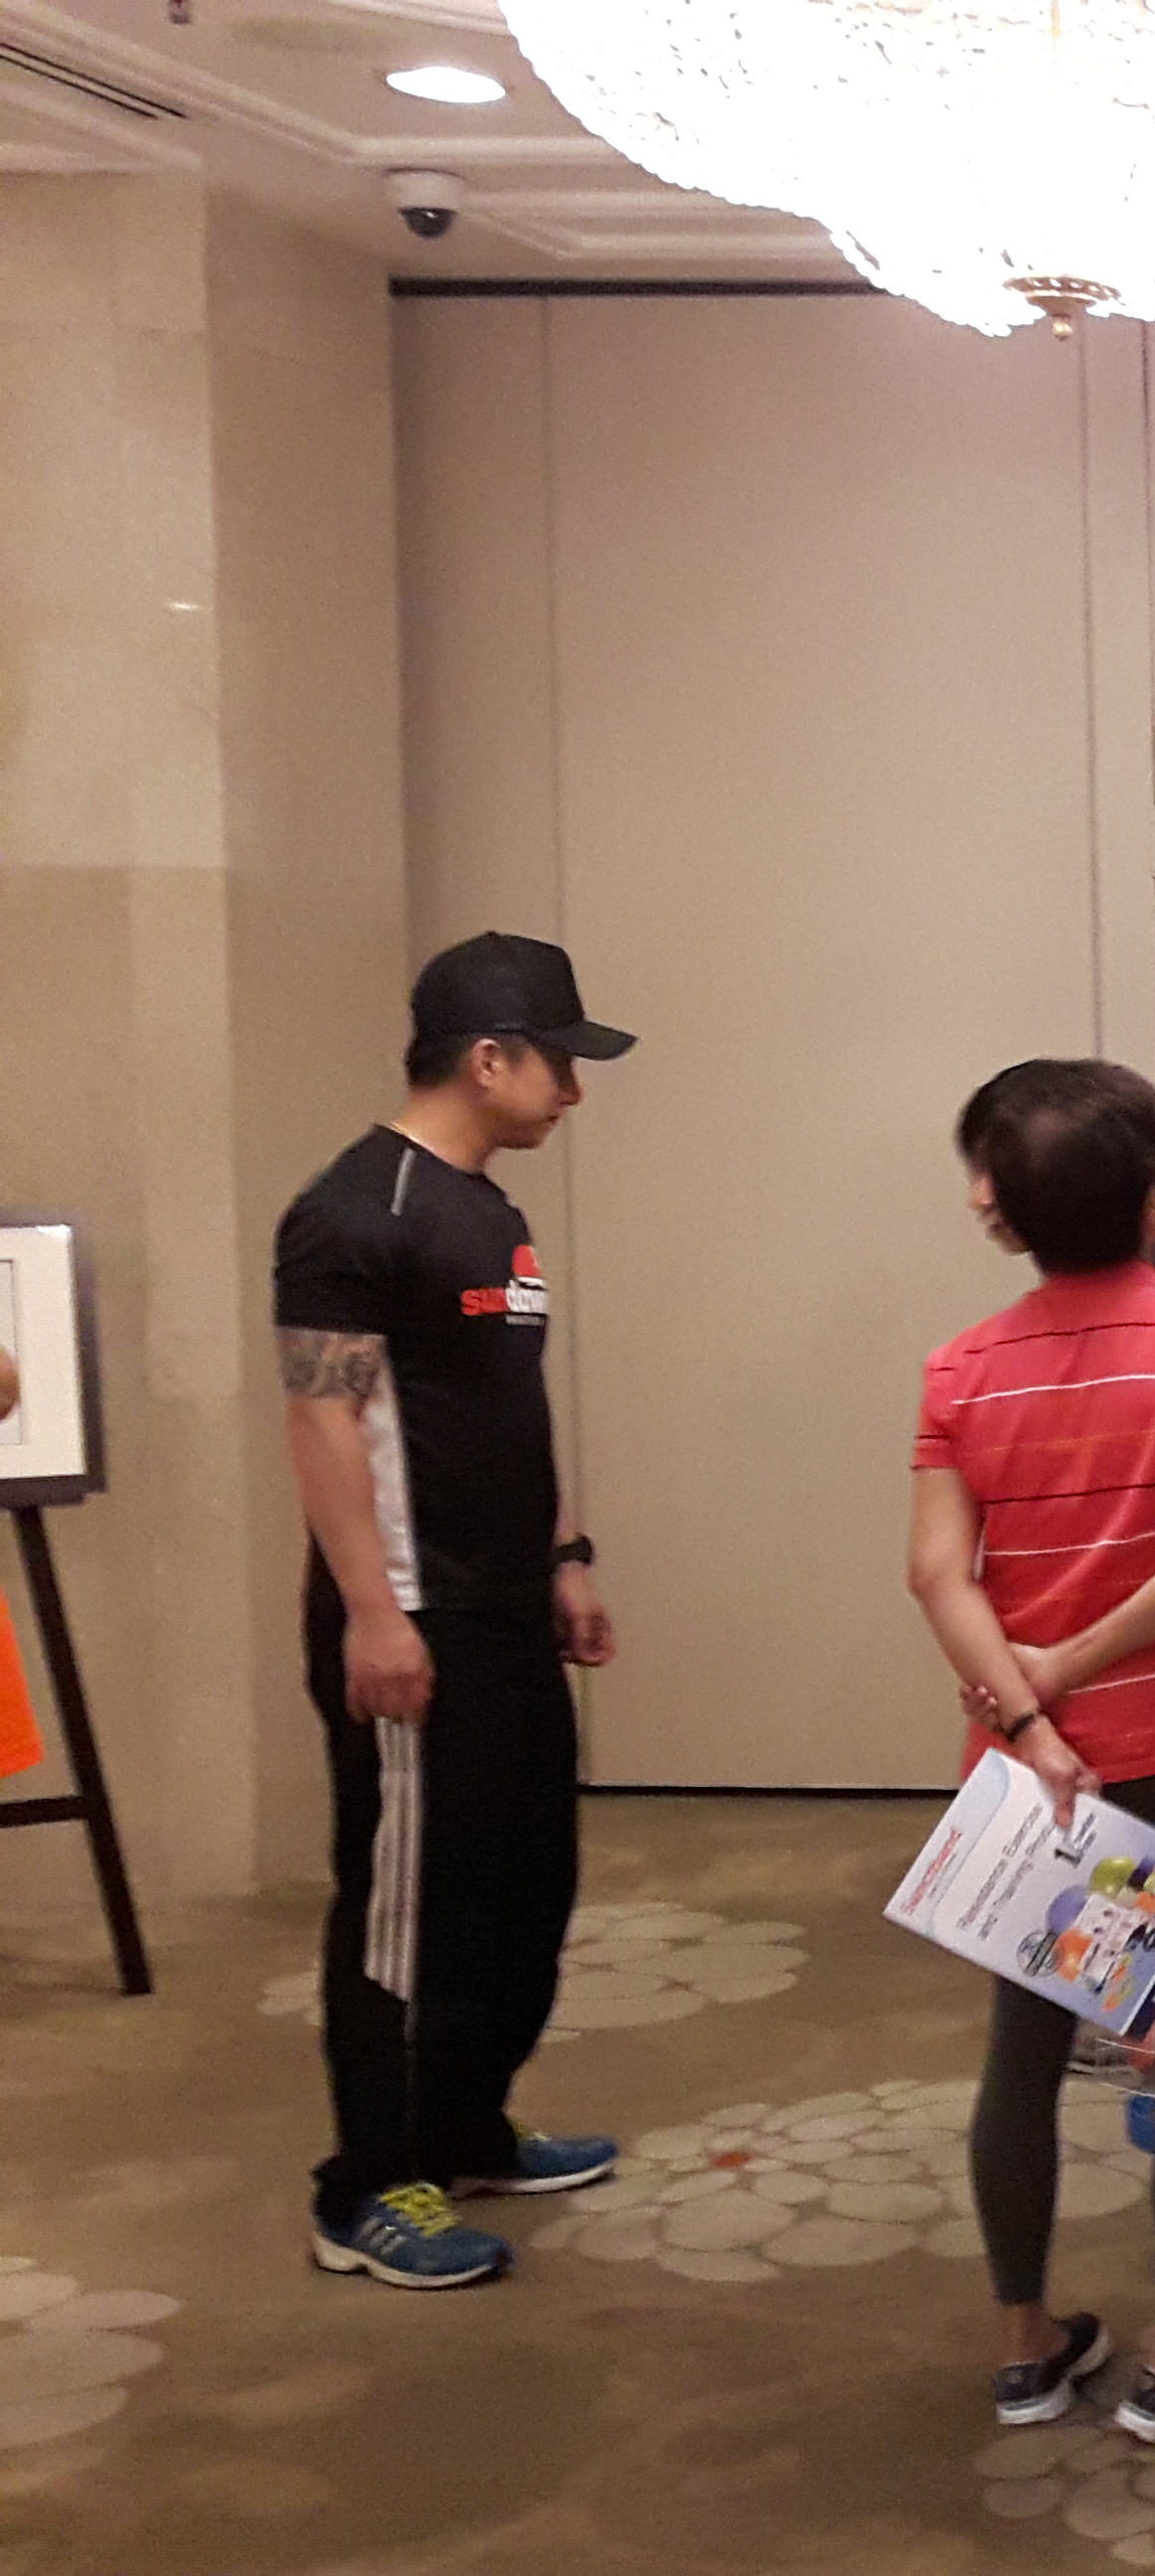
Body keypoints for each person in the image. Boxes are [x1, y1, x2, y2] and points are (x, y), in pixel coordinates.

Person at [908, 1059, 1155, 2444]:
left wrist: (1028, 1711)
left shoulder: (961, 1370)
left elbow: (938, 1573)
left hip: (1034, 1765)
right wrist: (1074, 1668)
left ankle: (1026, 2345)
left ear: (1006, 1212)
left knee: (1022, 2048)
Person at [273, 932, 635, 2292]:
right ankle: (367, 2186)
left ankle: (465, 2130)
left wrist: (564, 1557)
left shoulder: (491, 1214)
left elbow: (503, 1409)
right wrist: (374, 1615)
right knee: (405, 1913)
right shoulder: (350, 1212)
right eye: (561, 1064)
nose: (574, 1093)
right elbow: (324, 1420)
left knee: (521, 1884)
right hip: (412, 1620)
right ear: (489, 1059)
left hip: (508, 1610)